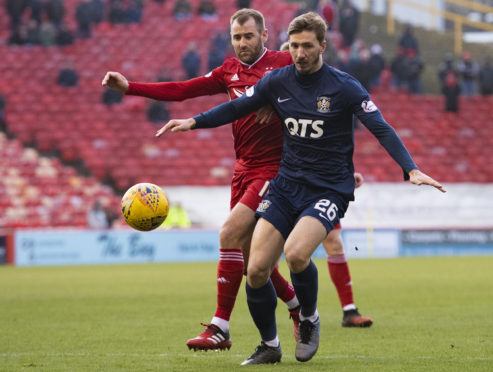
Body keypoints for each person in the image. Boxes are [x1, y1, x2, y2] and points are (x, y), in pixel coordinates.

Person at [157, 12, 445, 365]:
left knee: (295, 254)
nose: (299, 53)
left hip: (327, 188)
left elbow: (380, 127)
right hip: (286, 185)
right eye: (294, 46)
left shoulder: (344, 86)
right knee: (257, 269)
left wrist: (411, 169)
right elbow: (238, 106)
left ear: (322, 46)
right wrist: (194, 121)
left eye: (307, 46)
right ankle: (270, 345)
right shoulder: (277, 82)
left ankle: (308, 318)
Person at [102, 7, 371, 353]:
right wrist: (130, 88)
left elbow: (316, 93)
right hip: (242, 169)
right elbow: (184, 89)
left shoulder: (286, 61)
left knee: (229, 234)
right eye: (236, 37)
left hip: (276, 171)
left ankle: (220, 327)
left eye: (248, 36)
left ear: (264, 36)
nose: (242, 43)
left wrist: (277, 105)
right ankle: (296, 308)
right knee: (248, 258)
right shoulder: (228, 71)